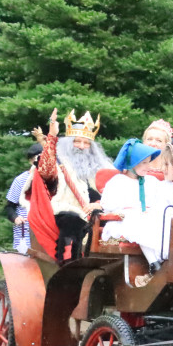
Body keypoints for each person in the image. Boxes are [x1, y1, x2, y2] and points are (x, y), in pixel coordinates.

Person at [31, 108, 113, 260]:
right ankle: (69, 264)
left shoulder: (104, 167)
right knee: (72, 220)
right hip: (65, 210)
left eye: (86, 143)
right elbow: (45, 171)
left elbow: (116, 194)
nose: (81, 146)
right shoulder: (58, 162)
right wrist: (52, 136)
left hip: (97, 213)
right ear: (69, 143)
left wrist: (100, 205)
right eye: (77, 141)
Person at [100, 139, 172, 286]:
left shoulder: (151, 182)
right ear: (133, 163)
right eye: (144, 163)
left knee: (162, 220)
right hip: (123, 223)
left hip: (149, 221)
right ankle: (154, 263)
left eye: (149, 162)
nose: (148, 166)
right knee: (138, 220)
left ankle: (164, 259)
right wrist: (132, 210)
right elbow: (108, 206)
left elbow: (162, 202)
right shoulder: (117, 182)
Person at [4, 142, 42, 254]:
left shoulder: (53, 180)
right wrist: (15, 218)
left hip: (45, 230)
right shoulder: (20, 180)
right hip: (25, 229)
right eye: (36, 159)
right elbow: (9, 207)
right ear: (31, 161)